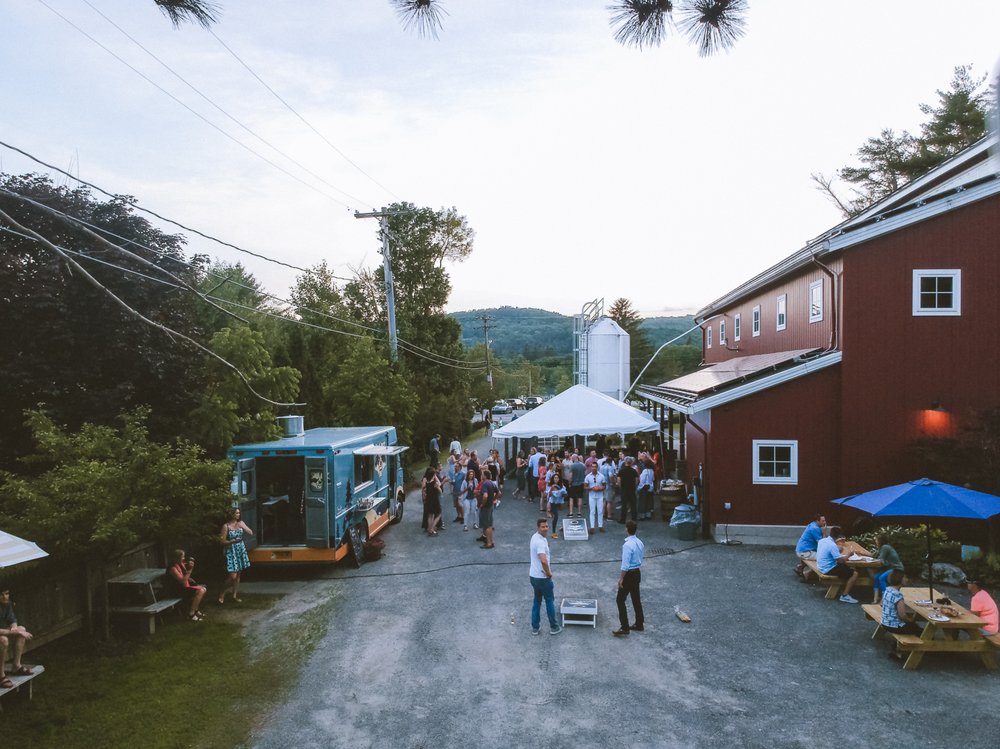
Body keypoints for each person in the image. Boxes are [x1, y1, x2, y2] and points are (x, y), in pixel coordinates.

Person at [529, 518, 562, 635]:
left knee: (537, 601)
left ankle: (535, 627)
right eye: (543, 527)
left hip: (533, 576)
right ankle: (554, 627)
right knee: (549, 601)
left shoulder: (534, 537)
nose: (545, 529)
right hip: (542, 578)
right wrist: (548, 573)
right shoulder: (541, 542)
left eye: (546, 526)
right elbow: (543, 560)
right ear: (538, 527)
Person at [613, 520, 645, 636]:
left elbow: (625, 565)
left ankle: (624, 626)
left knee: (620, 599)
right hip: (637, 573)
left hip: (629, 574)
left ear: (626, 529)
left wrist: (621, 578)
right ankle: (639, 623)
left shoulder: (627, 545)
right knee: (636, 598)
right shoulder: (640, 542)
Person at [880, 570, 920, 660]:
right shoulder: (898, 596)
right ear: (900, 580)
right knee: (917, 629)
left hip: (884, 622)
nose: (907, 579)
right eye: (905, 577)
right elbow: (902, 616)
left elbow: (881, 604)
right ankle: (900, 649)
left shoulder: (887, 590)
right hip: (894, 626)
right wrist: (910, 620)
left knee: (912, 626)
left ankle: (896, 647)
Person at [218, 507, 253, 604]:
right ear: (232, 514)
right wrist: (231, 541)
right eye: (236, 513)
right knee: (232, 576)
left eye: (239, 513)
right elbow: (222, 541)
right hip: (231, 550)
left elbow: (250, 532)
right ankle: (222, 593)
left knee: (238, 575)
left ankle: (234, 596)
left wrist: (242, 525)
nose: (238, 515)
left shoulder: (241, 523)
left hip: (240, 550)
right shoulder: (226, 526)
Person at [816, 526, 860, 603]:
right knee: (855, 573)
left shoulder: (823, 540)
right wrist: (849, 555)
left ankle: (843, 589)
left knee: (847, 568)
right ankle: (845, 595)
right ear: (839, 536)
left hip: (820, 566)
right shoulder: (832, 545)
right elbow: (841, 561)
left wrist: (839, 548)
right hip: (828, 569)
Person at [0, 588, 34, 687]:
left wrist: (15, 628)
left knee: (22, 629)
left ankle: (16, 666)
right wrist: (16, 632)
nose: (5, 597)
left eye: (6, 593)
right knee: (3, 640)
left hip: (3, 631)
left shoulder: (7, 603)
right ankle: (1, 676)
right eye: (1, 595)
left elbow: (12, 619)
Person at [166, 549, 208, 621]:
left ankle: (195, 610)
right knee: (200, 591)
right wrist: (190, 570)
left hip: (182, 588)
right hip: (175, 591)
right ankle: (191, 614)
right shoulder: (172, 568)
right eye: (182, 557)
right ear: (177, 558)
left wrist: (188, 566)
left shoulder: (179, 564)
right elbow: (183, 581)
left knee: (203, 589)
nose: (184, 558)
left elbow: (184, 574)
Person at [872, 533, 904, 604]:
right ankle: (875, 598)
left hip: (896, 568)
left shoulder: (885, 547)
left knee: (881, 578)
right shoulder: (883, 547)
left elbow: (881, 559)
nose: (875, 542)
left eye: (876, 540)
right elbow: (875, 555)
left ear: (880, 540)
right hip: (889, 567)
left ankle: (885, 598)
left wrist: (877, 559)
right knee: (876, 577)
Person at [794, 514, 827, 580]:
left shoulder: (812, 524)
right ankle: (808, 573)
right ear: (817, 521)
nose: (825, 522)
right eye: (823, 521)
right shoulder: (815, 529)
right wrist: (824, 533)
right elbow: (822, 544)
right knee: (824, 558)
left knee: (818, 554)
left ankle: (800, 567)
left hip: (801, 550)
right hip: (805, 552)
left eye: (825, 520)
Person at [477, 467, 500, 549]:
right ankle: (489, 541)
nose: (481, 475)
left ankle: (489, 543)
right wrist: (493, 499)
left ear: (485, 476)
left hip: (486, 507)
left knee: (487, 526)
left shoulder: (485, 484)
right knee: (488, 524)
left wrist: (482, 504)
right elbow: (498, 492)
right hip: (490, 506)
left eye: (482, 474)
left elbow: (485, 496)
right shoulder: (492, 483)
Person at [583, 461, 606, 534]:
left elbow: (604, 485)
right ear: (591, 467)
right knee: (592, 511)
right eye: (592, 467)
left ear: (597, 467)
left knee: (600, 511)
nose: (594, 468)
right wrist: (592, 488)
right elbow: (585, 487)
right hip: (592, 496)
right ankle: (592, 527)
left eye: (595, 467)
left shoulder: (601, 476)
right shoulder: (588, 476)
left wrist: (600, 488)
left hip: (600, 496)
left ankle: (600, 525)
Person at [423, 465, 443, 536]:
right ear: (433, 475)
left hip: (429, 500)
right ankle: (432, 528)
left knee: (430, 515)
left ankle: (429, 529)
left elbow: (424, 490)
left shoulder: (427, 482)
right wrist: (438, 487)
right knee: (438, 514)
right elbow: (440, 491)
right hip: (435, 500)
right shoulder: (435, 483)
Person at [618, 456, 639, 524]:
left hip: (624, 489)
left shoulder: (621, 471)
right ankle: (634, 518)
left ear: (625, 462)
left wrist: (621, 487)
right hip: (632, 489)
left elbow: (619, 481)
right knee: (633, 504)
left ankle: (623, 519)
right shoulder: (634, 471)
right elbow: (636, 481)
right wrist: (634, 486)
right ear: (631, 463)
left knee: (624, 505)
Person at [546, 474, 568, 539]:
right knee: (556, 516)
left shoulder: (562, 486)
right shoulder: (550, 486)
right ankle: (553, 533)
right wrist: (552, 489)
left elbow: (566, 495)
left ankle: (562, 527)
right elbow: (549, 496)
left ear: (559, 479)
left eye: (557, 478)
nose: (556, 479)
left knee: (561, 514)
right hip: (553, 502)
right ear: (553, 479)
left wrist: (563, 494)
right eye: (555, 478)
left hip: (560, 502)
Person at [600, 451, 618, 525]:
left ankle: (603, 514)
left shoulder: (601, 467)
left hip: (603, 485)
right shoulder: (610, 468)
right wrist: (613, 483)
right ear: (610, 462)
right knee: (609, 501)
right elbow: (611, 476)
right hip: (609, 485)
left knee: (604, 500)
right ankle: (609, 515)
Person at [569, 453, 586, 518]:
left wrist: (569, 483)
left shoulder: (572, 466)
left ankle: (571, 512)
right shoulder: (583, 465)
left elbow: (571, 476)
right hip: (581, 483)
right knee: (580, 498)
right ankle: (579, 512)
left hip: (574, 484)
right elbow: (584, 474)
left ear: (573, 458)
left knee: (571, 498)